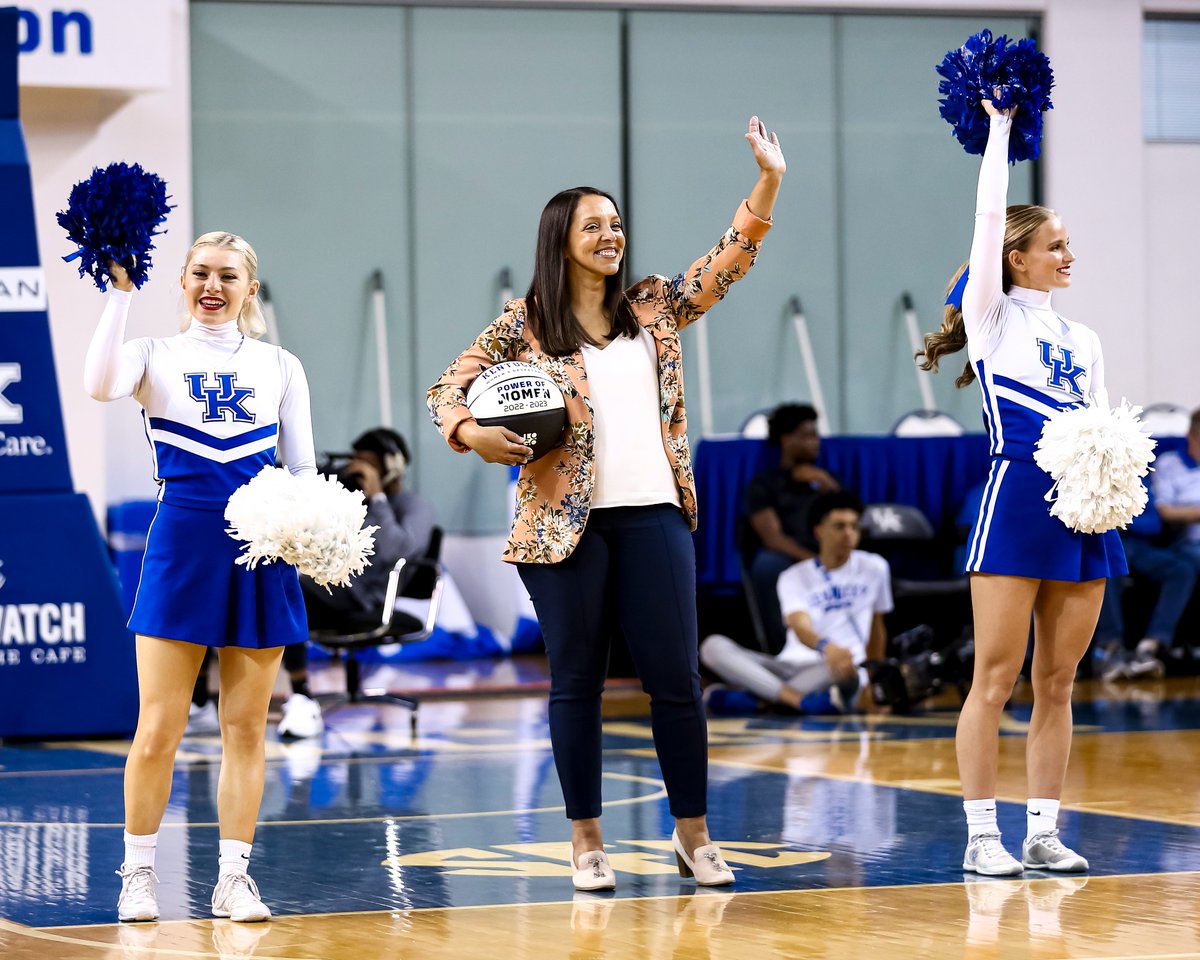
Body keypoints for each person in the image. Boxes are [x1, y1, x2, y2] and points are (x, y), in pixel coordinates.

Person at [427, 116, 784, 890]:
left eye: (617, 224)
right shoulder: (521, 328)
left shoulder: (655, 306)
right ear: (561, 240)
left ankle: (694, 835)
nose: (610, 235)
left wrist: (767, 184)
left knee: (676, 682)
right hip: (564, 529)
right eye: (593, 225)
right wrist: (470, 432)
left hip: (655, 514)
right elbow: (444, 388)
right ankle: (586, 839)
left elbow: (726, 265)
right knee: (576, 683)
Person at [917, 100, 1126, 876]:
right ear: (1015, 257)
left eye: (1069, 244)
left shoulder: (1086, 339)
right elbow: (986, 215)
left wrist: (1110, 490)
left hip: (1083, 514)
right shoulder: (993, 319)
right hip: (1014, 503)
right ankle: (981, 837)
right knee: (995, 678)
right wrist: (1001, 129)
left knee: (1059, 680)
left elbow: (1103, 428)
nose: (1069, 255)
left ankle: (1042, 831)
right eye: (1056, 245)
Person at [85, 233, 316, 922]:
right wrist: (119, 294)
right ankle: (139, 873)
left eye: (229, 276)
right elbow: (98, 384)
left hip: (259, 546)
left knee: (245, 727)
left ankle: (233, 879)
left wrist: (308, 530)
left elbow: (300, 469)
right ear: (181, 281)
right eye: (200, 274)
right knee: (159, 724)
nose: (213, 286)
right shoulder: (152, 354)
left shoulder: (280, 364)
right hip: (183, 542)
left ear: (250, 287)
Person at [280, 427, 437, 738]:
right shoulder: (349, 501)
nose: (355, 470)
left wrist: (376, 496)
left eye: (365, 464)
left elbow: (394, 550)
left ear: (391, 468)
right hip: (334, 591)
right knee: (275, 583)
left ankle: (300, 694)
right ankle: (204, 697)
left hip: (370, 602)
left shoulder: (412, 506)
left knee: (288, 589)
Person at [701, 491, 889, 715]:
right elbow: (800, 626)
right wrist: (827, 647)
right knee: (712, 646)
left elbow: (877, 627)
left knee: (844, 673)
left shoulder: (875, 567)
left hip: (837, 668)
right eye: (839, 526)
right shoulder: (794, 576)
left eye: (854, 526)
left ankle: (757, 699)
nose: (849, 534)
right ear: (818, 531)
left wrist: (876, 683)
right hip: (789, 665)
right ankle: (798, 701)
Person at [743, 403, 839, 653]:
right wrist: (814, 562)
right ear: (786, 439)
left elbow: (848, 521)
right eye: (807, 436)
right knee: (767, 566)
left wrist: (828, 486)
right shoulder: (765, 484)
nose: (815, 442)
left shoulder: (826, 480)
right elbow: (772, 538)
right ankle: (781, 651)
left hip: (828, 553)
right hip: (788, 557)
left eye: (815, 435)